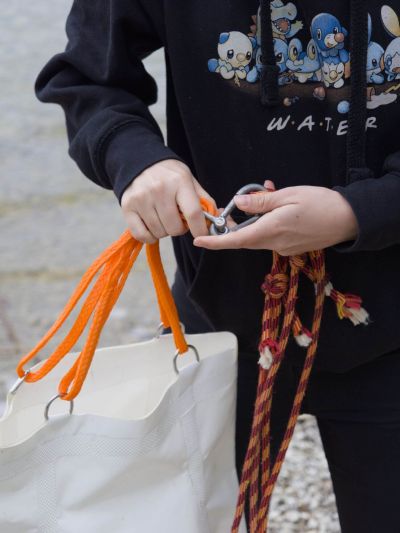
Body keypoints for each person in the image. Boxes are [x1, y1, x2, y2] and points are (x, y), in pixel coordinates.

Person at [36, 0, 400, 530]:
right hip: (219, 325)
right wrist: (138, 160)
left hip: (391, 328)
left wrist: (359, 212)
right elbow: (87, 76)